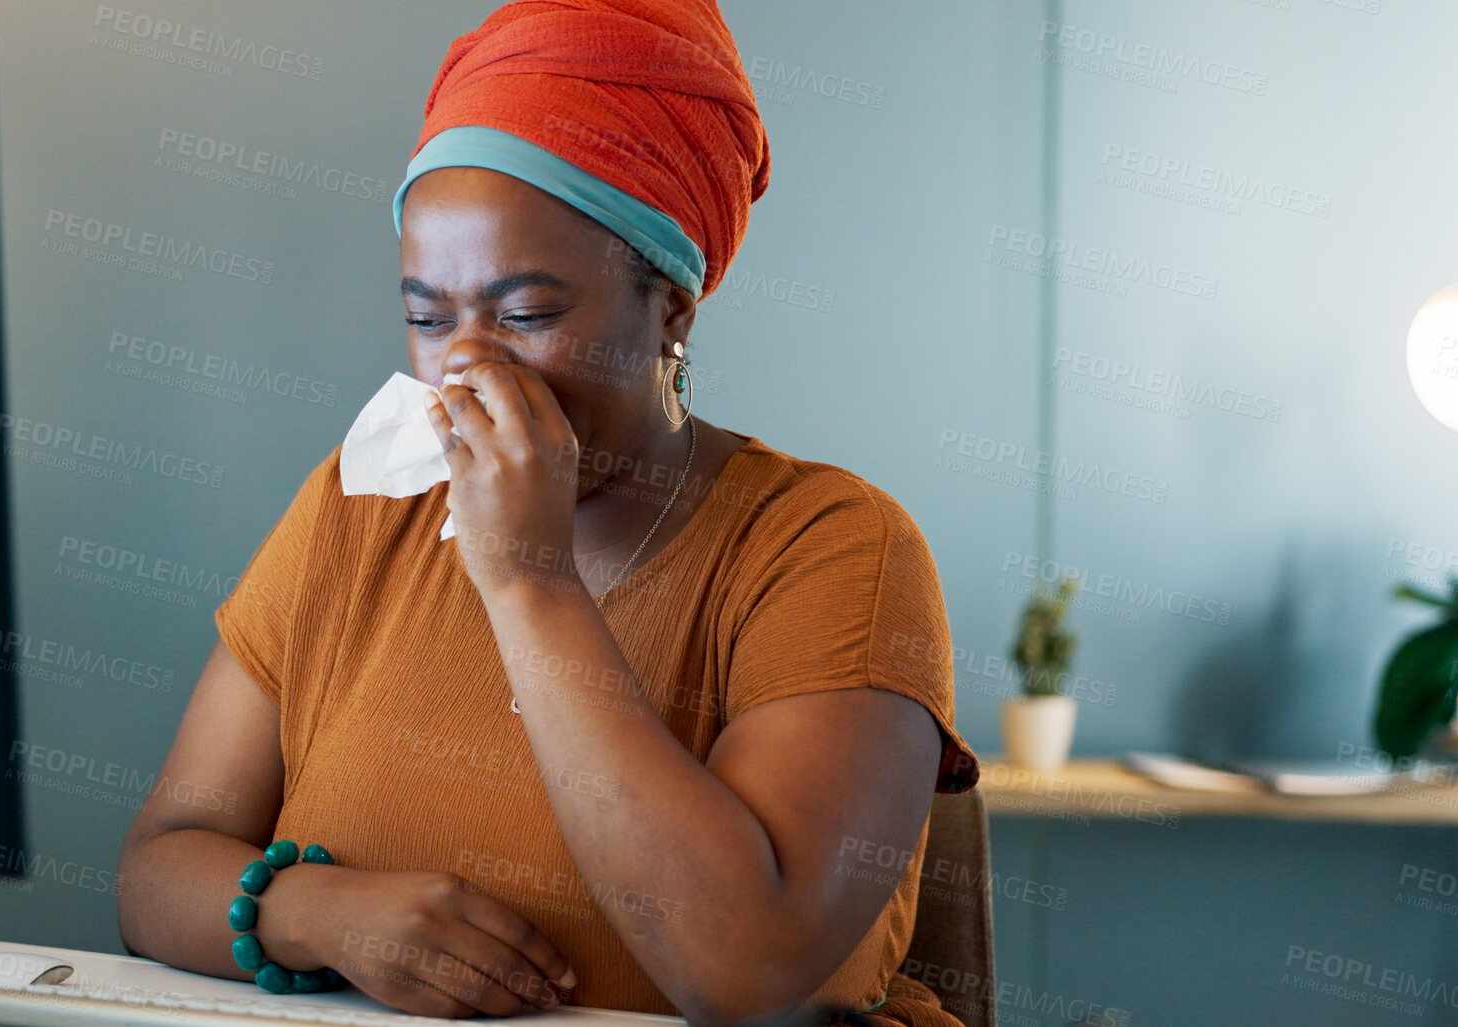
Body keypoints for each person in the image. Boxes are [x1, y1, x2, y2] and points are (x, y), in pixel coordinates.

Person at [118, 2, 980, 1025]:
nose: (469, 366)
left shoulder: (829, 546)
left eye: (527, 314)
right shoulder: (362, 509)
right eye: (428, 319)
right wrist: (315, 911)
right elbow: (157, 867)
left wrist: (526, 577)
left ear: (671, 309)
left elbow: (744, 972)